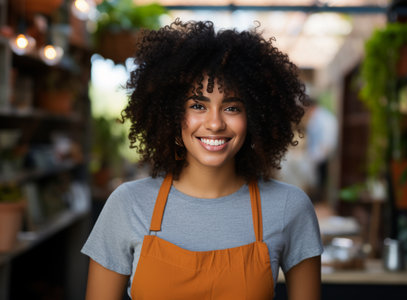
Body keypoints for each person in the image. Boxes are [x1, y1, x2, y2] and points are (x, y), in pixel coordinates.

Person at [82, 19, 323, 300]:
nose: (215, 123)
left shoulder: (288, 207)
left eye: (232, 107)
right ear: (171, 114)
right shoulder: (128, 204)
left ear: (256, 118)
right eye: (198, 105)